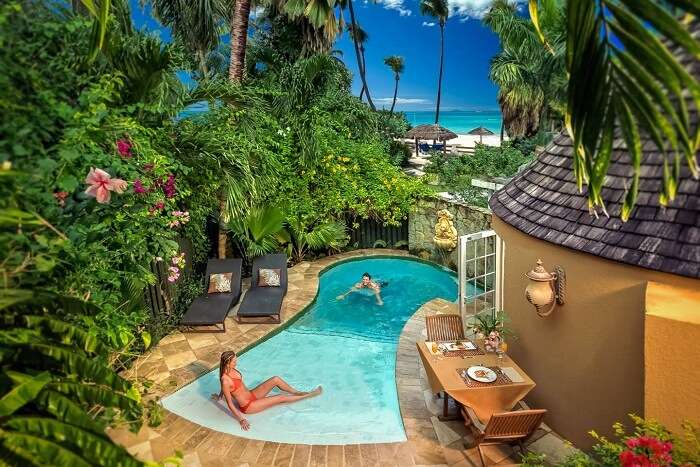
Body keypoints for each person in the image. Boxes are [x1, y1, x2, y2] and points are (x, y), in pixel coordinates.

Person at [212, 351, 322, 431]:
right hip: (249, 405)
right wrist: (241, 419)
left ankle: (296, 392)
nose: (237, 363)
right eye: (234, 361)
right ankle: (309, 395)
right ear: (227, 363)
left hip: (251, 394)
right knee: (280, 398)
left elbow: (224, 388)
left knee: (275, 379)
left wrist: (219, 396)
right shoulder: (225, 380)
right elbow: (230, 404)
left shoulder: (231, 370)